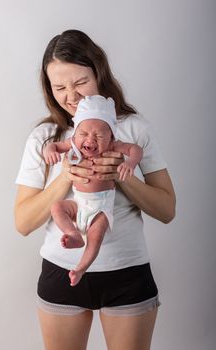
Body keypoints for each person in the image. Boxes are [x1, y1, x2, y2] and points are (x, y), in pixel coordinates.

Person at [14, 29, 176, 350]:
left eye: (80, 83)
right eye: (59, 87)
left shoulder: (133, 129)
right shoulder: (47, 138)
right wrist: (63, 178)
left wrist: (122, 176)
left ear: (99, 73)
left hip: (127, 271)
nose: (71, 96)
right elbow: (23, 223)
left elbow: (166, 210)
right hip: (61, 271)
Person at [43, 95, 143, 287]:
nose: (90, 139)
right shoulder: (72, 142)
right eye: (84, 133)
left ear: (111, 137)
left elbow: (135, 149)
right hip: (78, 204)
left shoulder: (114, 145)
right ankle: (72, 234)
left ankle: (80, 268)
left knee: (95, 238)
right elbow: (53, 145)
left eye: (99, 136)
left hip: (101, 207)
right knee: (57, 207)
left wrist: (130, 162)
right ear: (75, 133)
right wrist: (50, 151)